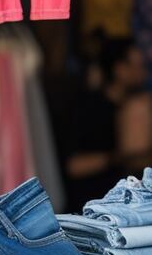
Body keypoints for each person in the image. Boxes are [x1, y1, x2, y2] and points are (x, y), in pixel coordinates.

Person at [63, 36, 150, 212]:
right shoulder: (89, 109)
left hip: (125, 208)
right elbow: (73, 166)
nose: (144, 73)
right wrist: (116, 158)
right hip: (91, 208)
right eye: (137, 66)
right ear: (119, 69)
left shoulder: (136, 105)